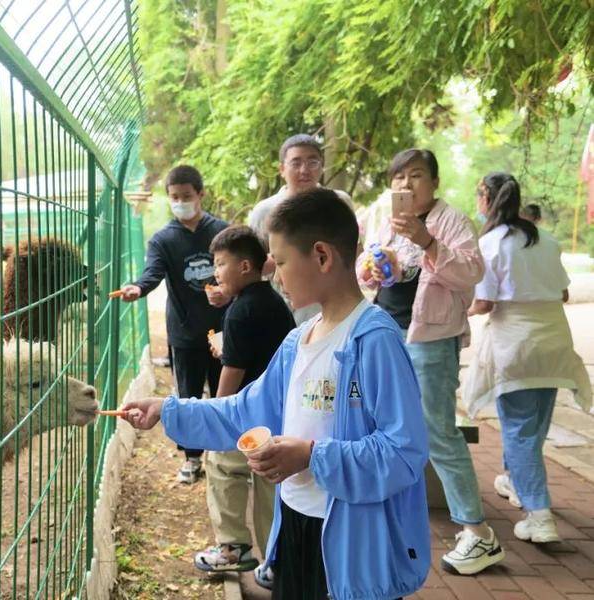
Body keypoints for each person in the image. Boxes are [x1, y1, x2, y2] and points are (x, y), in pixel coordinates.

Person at [123, 189, 431, 600]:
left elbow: (404, 452)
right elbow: (244, 412)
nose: (275, 272)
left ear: (321, 256)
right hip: (295, 525)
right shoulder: (297, 341)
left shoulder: (374, 342)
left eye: (281, 261)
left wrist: (310, 455)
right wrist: (167, 409)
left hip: (351, 542)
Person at [357, 148, 504, 575]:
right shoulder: (385, 219)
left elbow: (471, 273)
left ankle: (477, 533)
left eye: (416, 176)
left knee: (438, 432)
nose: (405, 186)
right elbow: (366, 269)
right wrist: (370, 270)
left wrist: (427, 242)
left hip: (431, 339)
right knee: (379, 423)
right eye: (398, 178)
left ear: (434, 182)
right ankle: (381, 515)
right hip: (385, 332)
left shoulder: (453, 221)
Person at [463, 173, 592, 542]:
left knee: (519, 431)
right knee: (532, 428)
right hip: (554, 344)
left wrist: (459, 311)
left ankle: (539, 515)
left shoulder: (492, 242)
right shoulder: (545, 239)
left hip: (516, 346)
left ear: (486, 197)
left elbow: (485, 302)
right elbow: (563, 294)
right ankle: (514, 480)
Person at [193, 225, 294, 574]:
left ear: (245, 267)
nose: (215, 272)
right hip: (279, 411)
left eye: (220, 264)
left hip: (247, 415)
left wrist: (217, 414)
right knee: (270, 484)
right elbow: (259, 352)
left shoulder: (238, 313)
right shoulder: (271, 302)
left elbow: (233, 374)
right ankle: (276, 561)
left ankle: (234, 546)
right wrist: (228, 348)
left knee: (223, 465)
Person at [120, 165, 228, 484]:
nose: (181, 202)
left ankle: (226, 453)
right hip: (185, 332)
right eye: (174, 197)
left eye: (187, 196)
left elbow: (239, 271)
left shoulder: (220, 232)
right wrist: (138, 288)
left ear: (201, 195)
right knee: (188, 395)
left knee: (226, 392)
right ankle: (192, 458)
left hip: (223, 330)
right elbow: (152, 273)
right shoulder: (163, 240)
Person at [247, 134, 353, 328]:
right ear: (282, 169)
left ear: (322, 166)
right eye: (296, 163)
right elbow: (251, 267)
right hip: (282, 313)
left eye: (312, 162)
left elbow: (354, 251)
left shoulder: (339, 202)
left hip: (334, 310)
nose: (304, 170)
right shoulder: (264, 211)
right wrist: (284, 260)